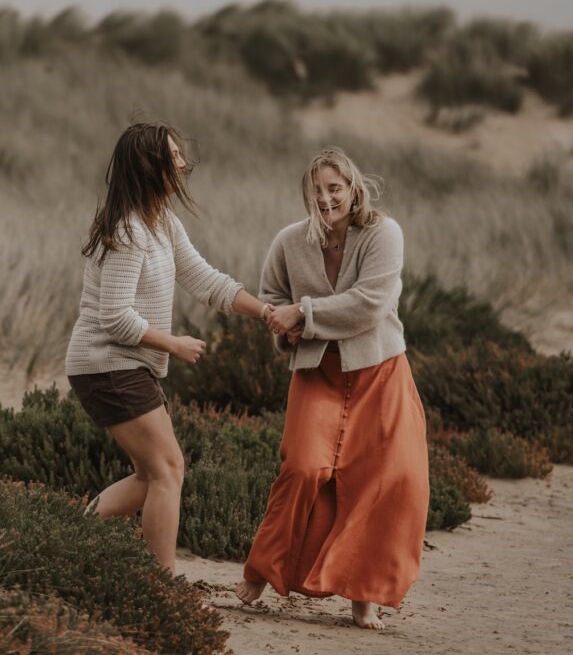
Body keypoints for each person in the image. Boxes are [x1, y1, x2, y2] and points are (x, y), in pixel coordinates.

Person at [235, 147, 429, 630]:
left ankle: (362, 598)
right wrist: (285, 326)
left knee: (386, 480)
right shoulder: (288, 241)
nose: (325, 199)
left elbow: (370, 304)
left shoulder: (384, 233)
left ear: (353, 188)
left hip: (379, 371)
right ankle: (261, 571)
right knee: (302, 468)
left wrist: (304, 314)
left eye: (334, 188)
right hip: (317, 373)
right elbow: (271, 297)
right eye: (317, 191)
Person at [65, 122, 272, 573]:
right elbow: (114, 318)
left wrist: (267, 313)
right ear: (149, 167)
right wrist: (174, 344)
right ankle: (163, 582)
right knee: (168, 469)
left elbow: (206, 280)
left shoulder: (163, 224)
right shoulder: (128, 232)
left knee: (152, 474)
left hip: (125, 365)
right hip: (107, 364)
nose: (183, 163)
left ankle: (70, 535)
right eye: (173, 156)